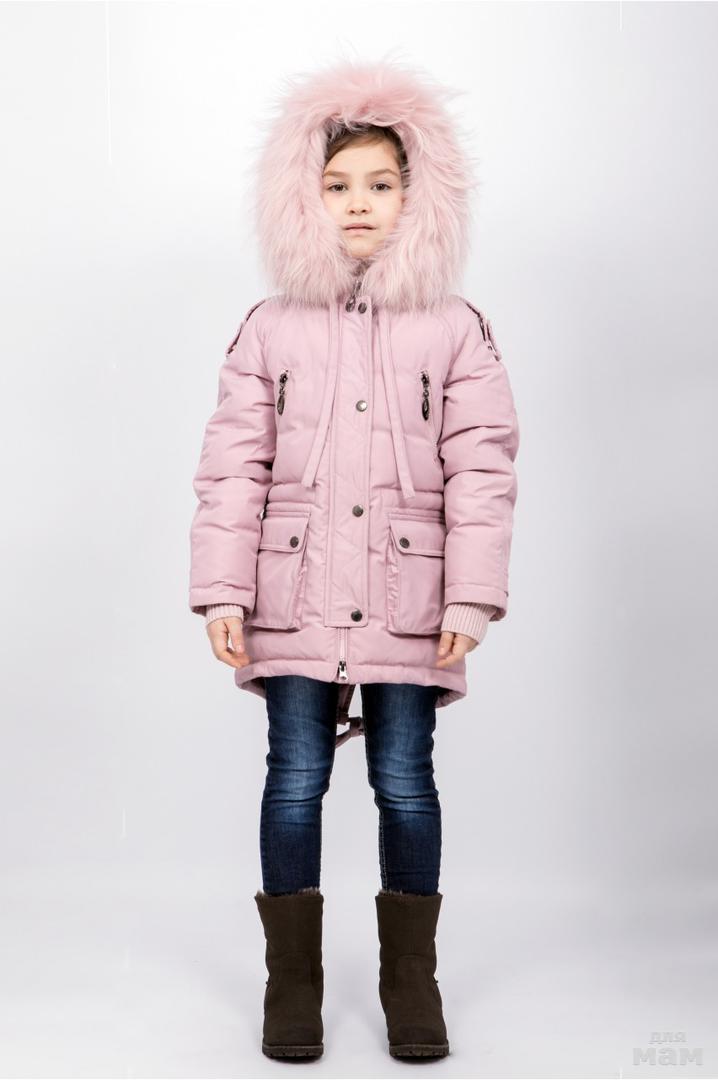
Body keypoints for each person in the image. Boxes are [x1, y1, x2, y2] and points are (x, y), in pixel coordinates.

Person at [188, 57, 520, 1062]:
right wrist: (222, 590)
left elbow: (482, 467)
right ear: (304, 197)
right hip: (290, 596)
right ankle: (291, 984)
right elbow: (232, 466)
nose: (359, 204)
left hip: (411, 599)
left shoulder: (454, 329)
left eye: (380, 184)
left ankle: (409, 980)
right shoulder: (270, 328)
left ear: (419, 195)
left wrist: (471, 594)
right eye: (336, 186)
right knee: (294, 778)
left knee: (404, 780)